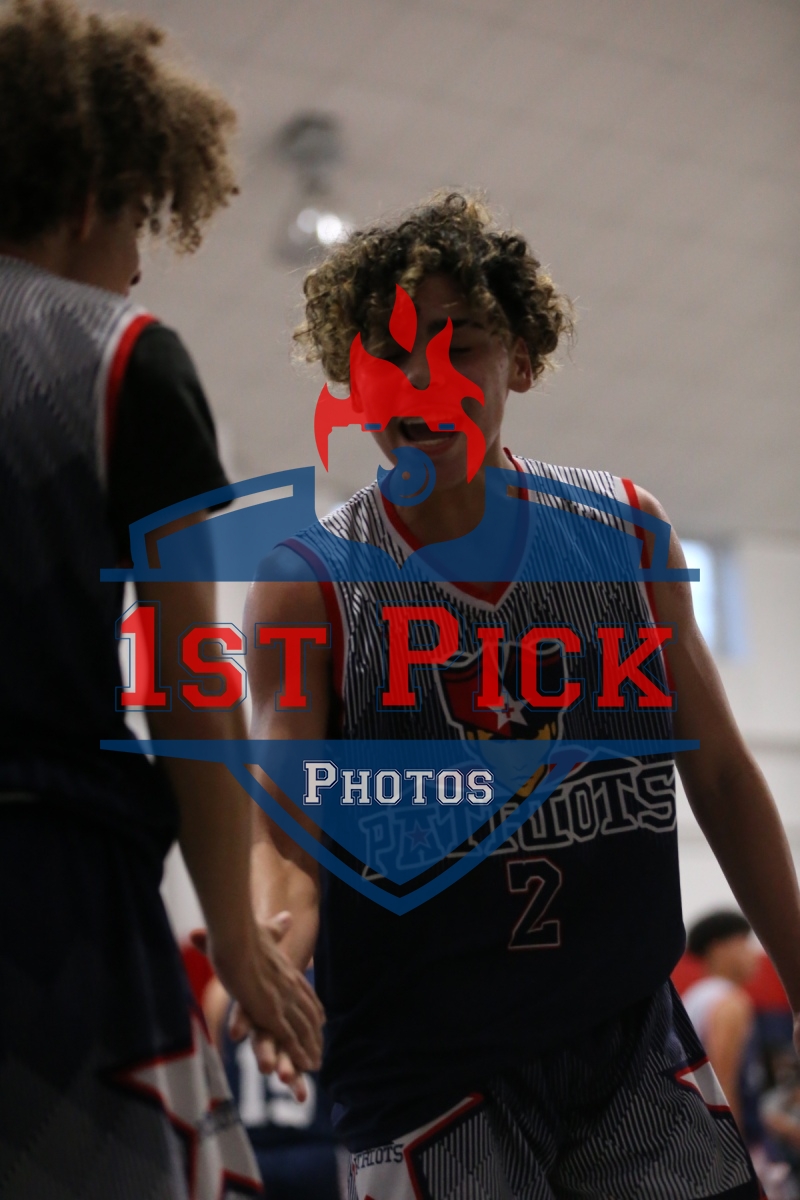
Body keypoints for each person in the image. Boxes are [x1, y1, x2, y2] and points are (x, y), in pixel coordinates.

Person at [245, 191, 800, 1199]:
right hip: (424, 1070)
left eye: (460, 346)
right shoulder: (309, 582)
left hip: (624, 1044)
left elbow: (719, 774)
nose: (423, 379)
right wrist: (270, 942)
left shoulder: (624, 533)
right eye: (389, 354)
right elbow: (285, 830)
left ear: (524, 361)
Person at [0, 2, 322, 1196]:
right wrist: (232, 936)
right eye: (139, 218)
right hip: (46, 894)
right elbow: (194, 689)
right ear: (91, 196)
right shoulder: (120, 354)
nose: (137, 260)